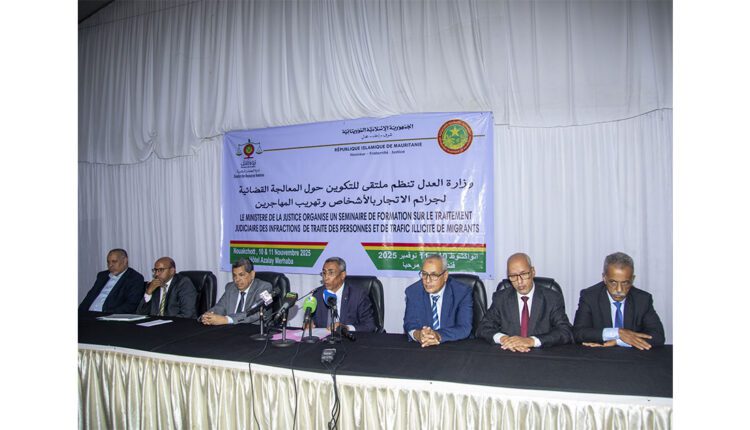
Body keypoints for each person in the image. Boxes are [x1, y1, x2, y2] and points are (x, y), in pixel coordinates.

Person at [476, 252, 573, 352]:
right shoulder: (501, 298)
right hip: (509, 353)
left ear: (533, 271)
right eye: (513, 276)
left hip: (541, 355)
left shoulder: (552, 298)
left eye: (523, 274)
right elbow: (483, 328)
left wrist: (532, 341)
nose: (519, 281)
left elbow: (566, 331)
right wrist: (503, 339)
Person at [573, 252, 665, 350]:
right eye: (613, 282)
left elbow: (658, 336)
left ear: (632, 279)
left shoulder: (642, 300)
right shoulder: (590, 296)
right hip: (599, 355)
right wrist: (618, 332)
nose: (619, 289)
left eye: (625, 283)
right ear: (604, 278)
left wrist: (619, 341)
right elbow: (578, 333)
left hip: (632, 357)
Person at [403, 254, 473, 347]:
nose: (428, 280)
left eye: (434, 275)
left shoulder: (461, 292)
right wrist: (418, 335)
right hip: (424, 348)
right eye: (424, 274)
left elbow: (464, 327)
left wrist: (438, 335)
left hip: (454, 347)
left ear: (445, 276)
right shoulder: (413, 292)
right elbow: (409, 324)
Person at [309, 257, 377, 332]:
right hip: (324, 338)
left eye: (331, 273)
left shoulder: (358, 295)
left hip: (348, 338)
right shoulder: (318, 294)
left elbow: (370, 325)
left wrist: (346, 328)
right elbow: (312, 319)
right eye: (324, 273)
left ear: (343, 275)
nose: (326, 278)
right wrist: (309, 323)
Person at [200, 258, 273, 325]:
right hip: (230, 330)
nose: (237, 279)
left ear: (252, 274)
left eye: (241, 275)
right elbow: (220, 307)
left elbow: (256, 313)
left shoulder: (265, 288)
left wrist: (227, 319)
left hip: (254, 331)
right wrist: (208, 316)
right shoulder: (230, 288)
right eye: (234, 275)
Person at [79, 248, 145, 313]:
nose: (110, 265)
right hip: (88, 315)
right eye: (108, 262)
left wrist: (107, 314)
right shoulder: (102, 276)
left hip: (107, 315)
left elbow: (131, 305)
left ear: (125, 261)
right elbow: (89, 298)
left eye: (114, 261)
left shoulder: (134, 278)